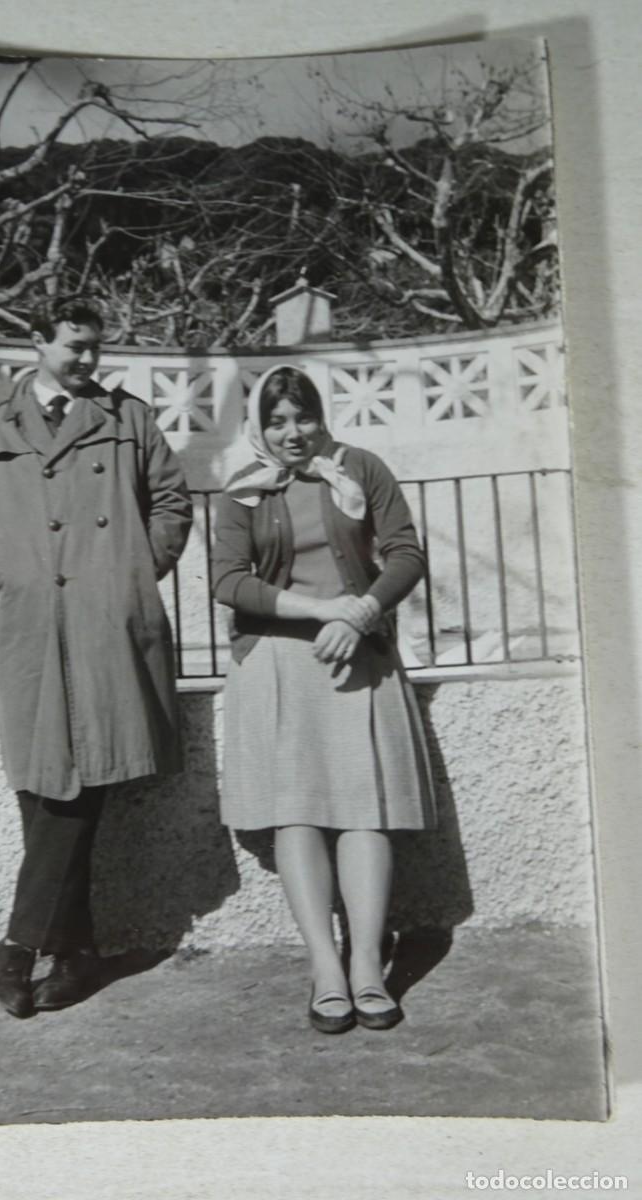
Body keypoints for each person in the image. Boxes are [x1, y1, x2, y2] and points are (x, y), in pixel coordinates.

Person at [0, 296, 193, 1019]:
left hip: (104, 621)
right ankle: (76, 952)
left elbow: (172, 503)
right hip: (31, 625)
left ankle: (18, 947)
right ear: (37, 342)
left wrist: (134, 570)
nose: (88, 359)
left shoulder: (129, 420)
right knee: (45, 781)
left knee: (82, 770)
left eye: (95, 347)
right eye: (74, 346)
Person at [212, 365, 436, 1034]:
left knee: (366, 812)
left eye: (303, 416)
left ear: (321, 416)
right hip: (279, 665)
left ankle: (367, 964)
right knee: (297, 815)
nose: (293, 433)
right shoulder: (243, 488)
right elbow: (228, 581)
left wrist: (359, 614)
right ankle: (325, 969)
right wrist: (320, 610)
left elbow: (405, 554)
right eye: (277, 421)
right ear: (259, 426)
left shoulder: (360, 469)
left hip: (358, 657)